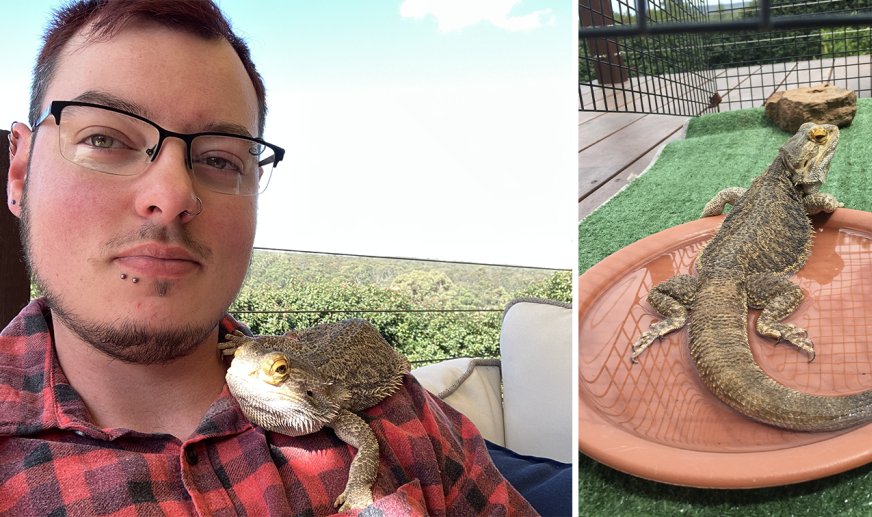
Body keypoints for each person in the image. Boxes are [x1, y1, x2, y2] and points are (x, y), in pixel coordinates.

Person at [0, 1, 539, 515]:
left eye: (218, 158)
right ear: (21, 173)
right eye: (103, 137)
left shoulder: (404, 415)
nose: (171, 195)